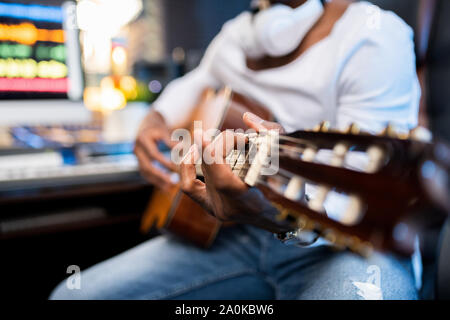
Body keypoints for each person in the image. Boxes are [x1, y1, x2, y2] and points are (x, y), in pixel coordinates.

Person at [50, 0, 420, 299]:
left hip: (350, 248)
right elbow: (192, 84)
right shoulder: (237, 34)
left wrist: (270, 212)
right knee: (72, 294)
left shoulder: (373, 36)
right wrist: (155, 119)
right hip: (231, 235)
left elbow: (361, 203)